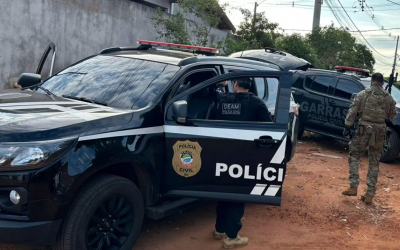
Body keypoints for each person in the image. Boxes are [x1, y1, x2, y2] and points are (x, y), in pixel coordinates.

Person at [212, 77, 272, 249]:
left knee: (223, 192)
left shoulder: (223, 99)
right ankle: (232, 237)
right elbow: (269, 128)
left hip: (221, 154)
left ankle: (219, 229)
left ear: (235, 84)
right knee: (238, 194)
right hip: (243, 156)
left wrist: (221, 85)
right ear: (251, 85)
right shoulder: (257, 103)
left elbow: (217, 94)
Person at [342, 73, 397, 205]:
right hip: (379, 132)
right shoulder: (387, 97)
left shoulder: (363, 94)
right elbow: (393, 116)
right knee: (374, 161)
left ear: (372, 81)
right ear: (383, 83)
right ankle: (369, 194)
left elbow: (353, 111)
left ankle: (353, 186)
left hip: (363, 129)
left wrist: (347, 126)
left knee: (354, 155)